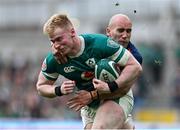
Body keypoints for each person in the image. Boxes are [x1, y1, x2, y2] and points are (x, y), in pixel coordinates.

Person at [36, 13, 142, 129]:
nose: (56, 45)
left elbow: (134, 68)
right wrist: (58, 89)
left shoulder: (99, 44)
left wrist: (109, 86)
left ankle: (122, 118)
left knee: (100, 127)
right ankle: (125, 124)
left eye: (59, 39)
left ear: (72, 32)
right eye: (53, 41)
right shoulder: (54, 59)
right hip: (89, 106)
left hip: (116, 96)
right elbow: (41, 86)